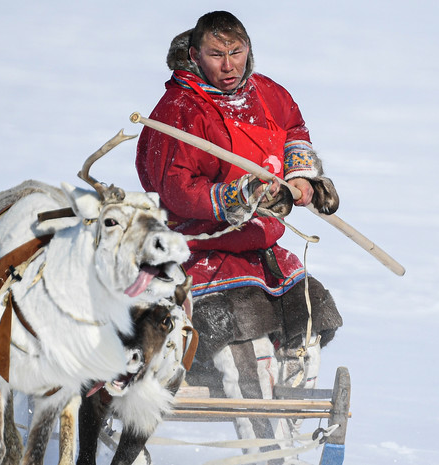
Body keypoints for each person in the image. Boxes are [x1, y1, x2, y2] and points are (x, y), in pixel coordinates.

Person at [135, 10, 343, 456]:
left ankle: (289, 440)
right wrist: (238, 196)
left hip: (263, 250)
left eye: (236, 52)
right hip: (202, 251)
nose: (228, 65)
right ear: (195, 54)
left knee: (305, 332)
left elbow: (294, 133)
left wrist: (303, 177)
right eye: (215, 54)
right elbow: (172, 186)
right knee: (248, 353)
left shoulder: (268, 93)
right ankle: (265, 452)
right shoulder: (178, 109)